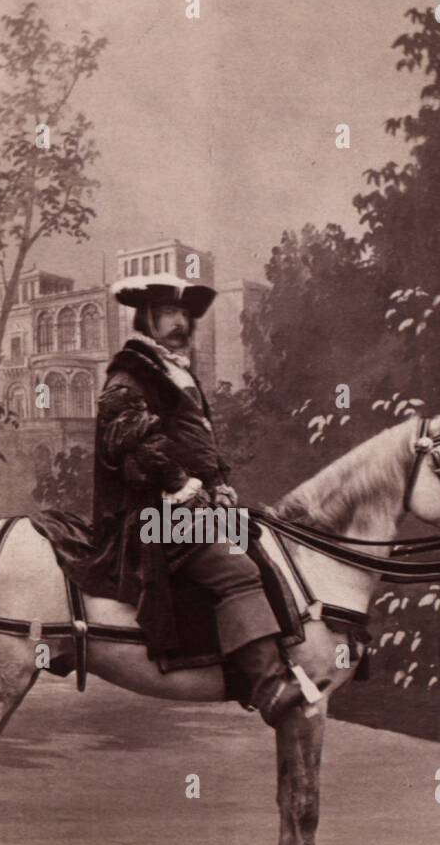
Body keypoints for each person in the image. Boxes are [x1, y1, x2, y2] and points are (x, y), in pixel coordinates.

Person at [88, 272, 312, 726]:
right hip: (151, 514)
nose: (179, 321)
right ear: (147, 317)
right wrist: (178, 482)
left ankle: (260, 662)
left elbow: (197, 441)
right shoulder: (130, 371)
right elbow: (126, 435)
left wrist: (219, 482)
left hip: (194, 504)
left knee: (264, 541)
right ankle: (268, 684)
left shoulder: (175, 370)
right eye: (169, 312)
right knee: (236, 568)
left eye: (184, 313)